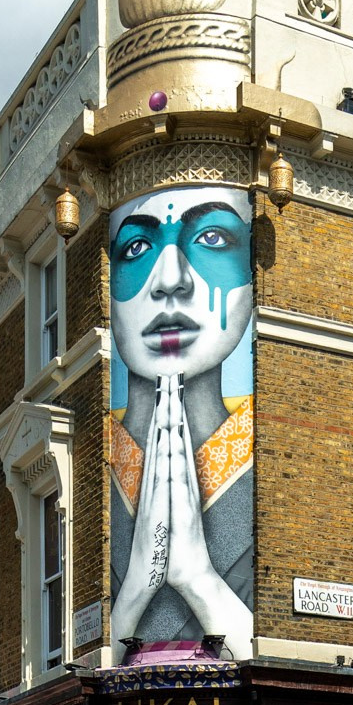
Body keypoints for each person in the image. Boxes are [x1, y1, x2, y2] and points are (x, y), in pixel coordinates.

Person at [108, 184, 254, 658]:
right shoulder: (91, 470)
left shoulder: (279, 460)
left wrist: (197, 579)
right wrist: (134, 591)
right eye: (136, 247)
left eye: (212, 238)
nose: (170, 279)